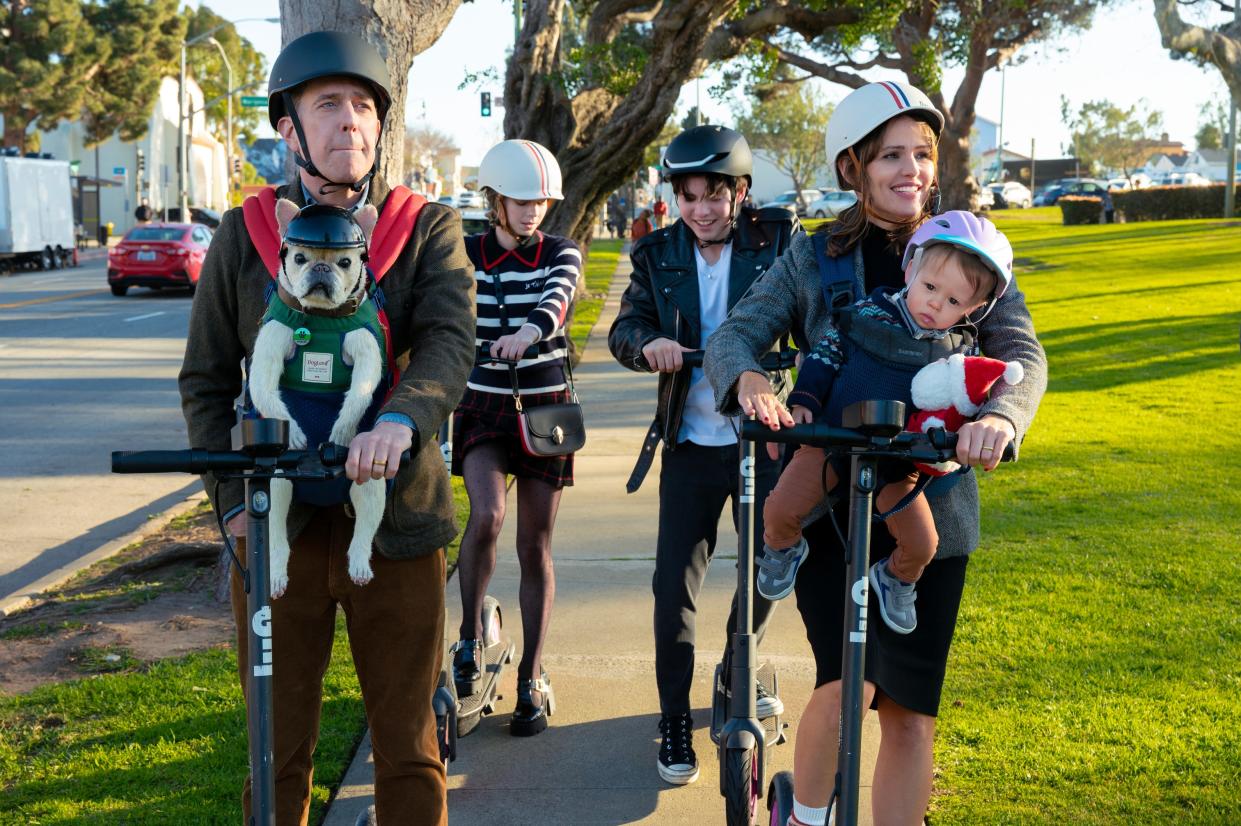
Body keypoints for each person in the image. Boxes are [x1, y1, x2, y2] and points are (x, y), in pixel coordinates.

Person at [704, 80, 1046, 826]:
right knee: (845, 685)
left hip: (930, 506)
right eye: (890, 155)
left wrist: (1000, 419)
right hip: (830, 504)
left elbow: (1020, 354)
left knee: (910, 710)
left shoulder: (972, 249)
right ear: (852, 166)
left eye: (921, 153)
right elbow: (734, 336)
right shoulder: (813, 253)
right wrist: (753, 379)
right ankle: (804, 815)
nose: (910, 170)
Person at [178, 31, 475, 826]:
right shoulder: (243, 236)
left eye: (364, 107)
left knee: (409, 748)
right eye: (328, 105)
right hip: (280, 527)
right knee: (276, 753)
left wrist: (401, 422)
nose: (352, 121)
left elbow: (449, 346)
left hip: (399, 521)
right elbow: (205, 380)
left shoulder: (426, 228)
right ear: (289, 129)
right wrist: (235, 506)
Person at [607, 124, 800, 786]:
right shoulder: (654, 252)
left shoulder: (778, 242)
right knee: (671, 589)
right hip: (689, 445)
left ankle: (734, 675)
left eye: (713, 195)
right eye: (687, 197)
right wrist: (645, 346)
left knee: (767, 570)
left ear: (739, 192)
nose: (700, 210)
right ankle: (670, 717)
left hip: (762, 441)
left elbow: (813, 326)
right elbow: (625, 329)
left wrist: (790, 383)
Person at [756, 212, 1015, 639]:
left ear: (974, 309)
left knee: (922, 544)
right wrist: (803, 401)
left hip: (898, 460)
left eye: (953, 301)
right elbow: (825, 357)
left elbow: (962, 406)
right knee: (780, 509)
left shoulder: (958, 353)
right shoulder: (865, 313)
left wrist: (963, 434)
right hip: (833, 442)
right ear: (910, 270)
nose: (935, 304)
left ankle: (895, 577)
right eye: (931, 288)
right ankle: (783, 547)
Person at [451, 139, 580, 737]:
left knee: (536, 543)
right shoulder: (463, 253)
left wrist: (528, 332)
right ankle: (469, 640)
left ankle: (531, 673)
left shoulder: (562, 251)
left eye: (541, 203)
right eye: (521, 202)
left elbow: (558, 298)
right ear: (494, 201)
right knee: (486, 518)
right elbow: (443, 308)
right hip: (482, 408)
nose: (533, 213)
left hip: (545, 408)